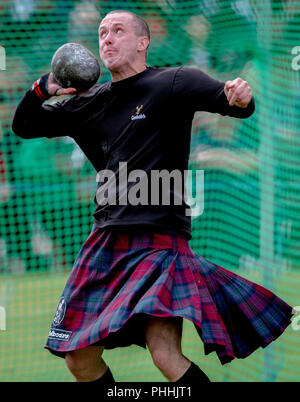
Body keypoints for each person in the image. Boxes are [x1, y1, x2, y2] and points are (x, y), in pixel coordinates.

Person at [12, 10, 294, 384]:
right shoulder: (88, 102)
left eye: (117, 31)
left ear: (143, 42)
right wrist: (46, 86)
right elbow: (24, 125)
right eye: (101, 33)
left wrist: (239, 96)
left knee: (165, 354)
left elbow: (232, 102)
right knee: (77, 359)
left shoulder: (173, 81)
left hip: (159, 240)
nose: (106, 39)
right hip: (107, 240)